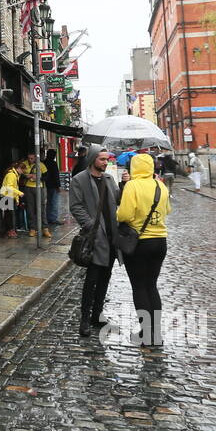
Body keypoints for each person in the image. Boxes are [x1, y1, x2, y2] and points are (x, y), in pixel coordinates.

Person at [116, 153, 172, 347]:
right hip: (160, 241)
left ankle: (146, 334)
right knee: (152, 286)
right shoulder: (160, 185)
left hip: (139, 242)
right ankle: (156, 334)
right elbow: (168, 210)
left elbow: (124, 214)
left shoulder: (132, 185)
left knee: (139, 287)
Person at [68, 144, 120, 337]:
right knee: (92, 279)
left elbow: (118, 200)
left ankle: (97, 315)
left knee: (106, 277)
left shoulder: (109, 178)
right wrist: (91, 225)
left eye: (107, 159)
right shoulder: (79, 180)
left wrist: (124, 185)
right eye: (102, 159)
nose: (106, 162)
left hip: (111, 237)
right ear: (92, 159)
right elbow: (75, 206)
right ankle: (84, 319)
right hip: (95, 237)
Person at [21, 151, 49, 238]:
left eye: (32, 158)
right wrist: (27, 176)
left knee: (41, 207)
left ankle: (45, 228)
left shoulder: (41, 165)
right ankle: (32, 229)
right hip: (28, 188)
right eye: (29, 158)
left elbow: (47, 176)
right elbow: (19, 174)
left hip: (39, 187)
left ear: (36, 158)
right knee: (30, 208)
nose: (30, 160)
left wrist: (38, 177)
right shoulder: (24, 164)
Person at [0, 161, 23, 238]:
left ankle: (8, 231)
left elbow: (15, 187)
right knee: (9, 216)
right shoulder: (11, 175)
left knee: (8, 215)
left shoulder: (15, 175)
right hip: (6, 196)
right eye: (22, 170)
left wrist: (17, 200)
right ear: (18, 168)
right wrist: (19, 193)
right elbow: (9, 187)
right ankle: (9, 232)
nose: (22, 172)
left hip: (9, 196)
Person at [43, 148, 63, 228]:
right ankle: (53, 218)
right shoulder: (53, 163)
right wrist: (58, 186)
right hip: (53, 185)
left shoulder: (44, 162)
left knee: (49, 202)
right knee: (54, 202)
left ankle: (48, 217)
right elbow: (56, 175)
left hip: (46, 185)